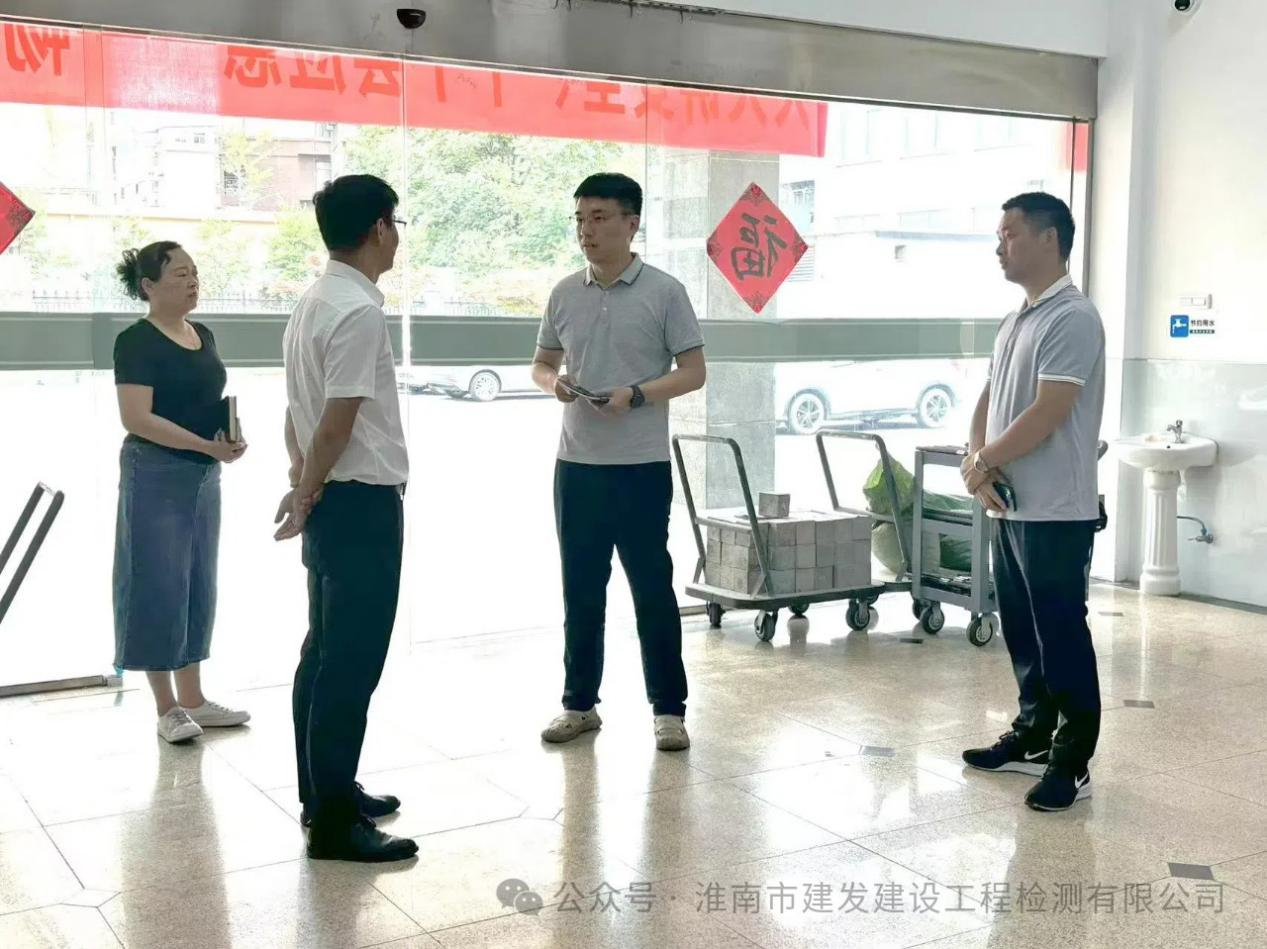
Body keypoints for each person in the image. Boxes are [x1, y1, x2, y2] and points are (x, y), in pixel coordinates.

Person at [531, 173, 707, 752]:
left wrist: (636, 394)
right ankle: (578, 705)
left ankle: (669, 710)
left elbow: (693, 372)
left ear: (632, 223)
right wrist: (554, 383)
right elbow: (541, 364)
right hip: (576, 465)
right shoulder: (564, 292)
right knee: (581, 590)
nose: (587, 230)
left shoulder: (665, 292)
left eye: (600, 218)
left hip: (640, 466)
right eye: (581, 219)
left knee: (651, 590)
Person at [273, 175, 417, 863]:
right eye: (396, 225)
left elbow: (295, 411)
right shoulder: (357, 310)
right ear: (379, 228)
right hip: (358, 502)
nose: (396, 239)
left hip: (334, 499)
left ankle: (324, 791)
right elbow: (336, 419)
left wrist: (302, 481)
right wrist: (306, 488)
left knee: (324, 653)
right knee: (349, 665)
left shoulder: (313, 301)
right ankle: (333, 824)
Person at [959, 192, 1106, 812]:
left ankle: (1072, 761)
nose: (1000, 246)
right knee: (1022, 628)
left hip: (1056, 509)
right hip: (1012, 505)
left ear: (1050, 238)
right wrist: (976, 461)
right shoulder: (1017, 318)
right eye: (999, 236)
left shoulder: (1072, 317)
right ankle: (1033, 733)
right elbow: (990, 397)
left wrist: (984, 461)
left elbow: (1049, 412)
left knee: (1060, 632)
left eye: (1010, 234)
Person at [112, 242, 251, 744]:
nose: (192, 282)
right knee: (157, 582)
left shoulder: (202, 333)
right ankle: (166, 707)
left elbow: (203, 401)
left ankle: (194, 698)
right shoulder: (135, 341)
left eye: (194, 272)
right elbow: (137, 418)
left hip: (202, 474)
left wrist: (227, 438)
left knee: (196, 581)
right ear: (148, 286)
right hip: (155, 472)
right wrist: (203, 446)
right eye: (179, 274)